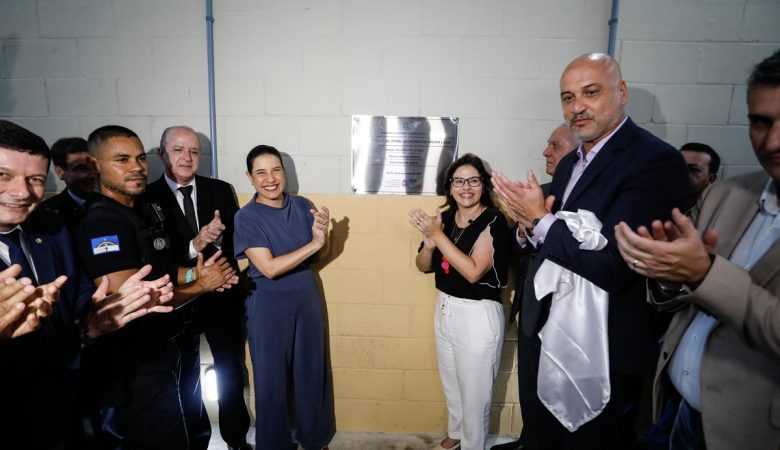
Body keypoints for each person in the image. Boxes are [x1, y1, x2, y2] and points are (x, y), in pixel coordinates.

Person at [491, 53, 689, 450]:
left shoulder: (654, 161)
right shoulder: (570, 165)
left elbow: (617, 267)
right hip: (554, 333)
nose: (577, 107)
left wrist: (540, 221)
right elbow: (558, 242)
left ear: (622, 92)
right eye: (568, 97)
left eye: (591, 93)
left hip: (606, 349)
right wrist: (529, 226)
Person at [614, 48, 780, 450]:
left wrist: (704, 272)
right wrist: (667, 273)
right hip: (678, 407)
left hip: (747, 430)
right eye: (761, 121)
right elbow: (676, 302)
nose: (773, 141)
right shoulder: (730, 194)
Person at [0, 120, 175, 450]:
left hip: (64, 405)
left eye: (34, 179)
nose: (21, 192)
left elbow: (81, 294)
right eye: (3, 175)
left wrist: (106, 309)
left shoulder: (50, 228)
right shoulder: (97, 217)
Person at [73, 125, 237, 449]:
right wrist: (202, 285)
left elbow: (161, 269)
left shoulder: (141, 207)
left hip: (164, 350)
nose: (136, 167)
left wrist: (197, 275)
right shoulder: (102, 222)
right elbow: (136, 301)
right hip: (130, 367)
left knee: (180, 430)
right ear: (94, 165)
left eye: (139, 158)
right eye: (122, 159)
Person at [146, 125, 251, 450]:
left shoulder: (220, 190)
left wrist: (221, 257)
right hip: (180, 301)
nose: (187, 157)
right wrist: (196, 244)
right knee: (186, 378)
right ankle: (196, 441)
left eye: (193, 151)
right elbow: (155, 257)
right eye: (178, 150)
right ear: (162, 154)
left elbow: (235, 243)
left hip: (222, 298)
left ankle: (236, 439)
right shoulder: (147, 198)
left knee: (230, 371)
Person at [234, 144, 335, 450]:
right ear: (250, 177)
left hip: (306, 299)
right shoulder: (246, 217)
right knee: (271, 380)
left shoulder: (303, 206)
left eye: (276, 170)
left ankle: (314, 438)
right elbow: (268, 268)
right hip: (267, 305)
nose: (270, 179)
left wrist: (324, 238)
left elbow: (320, 255)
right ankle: (275, 443)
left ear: (284, 172)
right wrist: (313, 243)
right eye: (261, 172)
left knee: (311, 370)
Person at [410, 153, 510, 450]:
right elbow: (422, 266)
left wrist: (437, 236)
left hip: (478, 314)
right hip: (446, 307)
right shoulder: (443, 219)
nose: (466, 188)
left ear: (484, 185)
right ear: (450, 187)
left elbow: (473, 271)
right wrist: (429, 245)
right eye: (459, 181)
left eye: (473, 181)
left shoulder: (493, 220)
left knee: (475, 394)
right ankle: (456, 432)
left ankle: (472, 444)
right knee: (452, 381)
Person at [493, 125, 578, 450]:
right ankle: (530, 441)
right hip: (532, 306)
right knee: (529, 380)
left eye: (555, 146)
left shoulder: (592, 198)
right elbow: (518, 248)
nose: (546, 152)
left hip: (570, 312)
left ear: (578, 152)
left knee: (561, 390)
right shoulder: (536, 193)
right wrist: (523, 231)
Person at [40, 137, 97, 228]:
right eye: (81, 168)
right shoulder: (45, 214)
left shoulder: (115, 203)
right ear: (60, 172)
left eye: (95, 166)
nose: (92, 175)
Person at [679, 142, 720, 222]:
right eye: (678, 165)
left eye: (692, 169)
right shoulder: (656, 201)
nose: (682, 172)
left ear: (711, 179)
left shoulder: (715, 215)